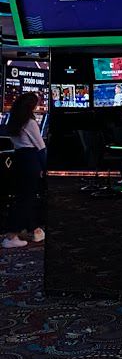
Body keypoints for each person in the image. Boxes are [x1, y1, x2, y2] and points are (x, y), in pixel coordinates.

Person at [2, 92, 46, 250]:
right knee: (25, 199)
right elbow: (41, 147)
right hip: (30, 160)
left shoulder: (14, 121)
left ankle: (32, 230)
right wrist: (44, 167)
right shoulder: (30, 122)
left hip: (19, 159)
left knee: (23, 198)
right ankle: (11, 236)